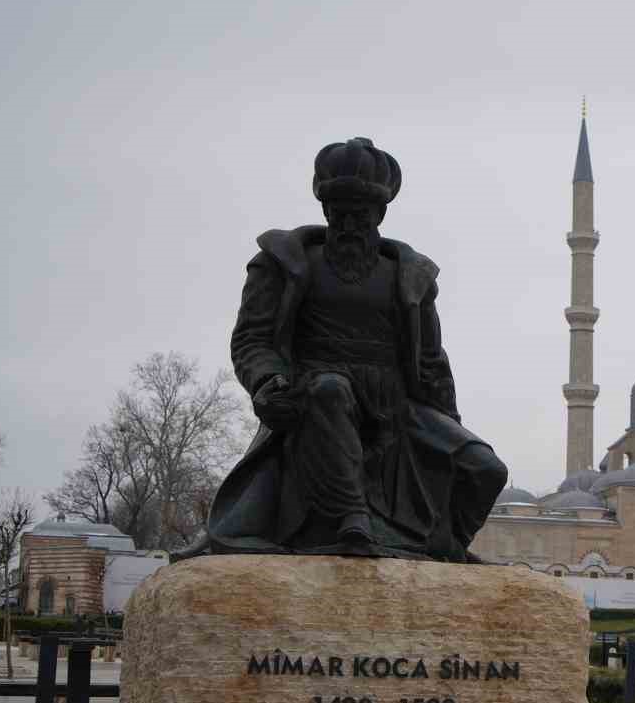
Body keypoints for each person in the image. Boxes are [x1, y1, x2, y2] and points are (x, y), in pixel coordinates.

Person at [198, 137, 506, 562]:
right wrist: (268, 383)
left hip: (396, 404)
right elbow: (252, 339)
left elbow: (432, 362)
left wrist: (448, 427)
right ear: (325, 212)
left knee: (485, 468)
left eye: (360, 216)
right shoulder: (282, 263)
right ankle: (352, 520)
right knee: (330, 390)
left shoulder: (410, 277)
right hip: (317, 395)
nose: (348, 226)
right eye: (339, 215)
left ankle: (445, 547)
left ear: (379, 215)